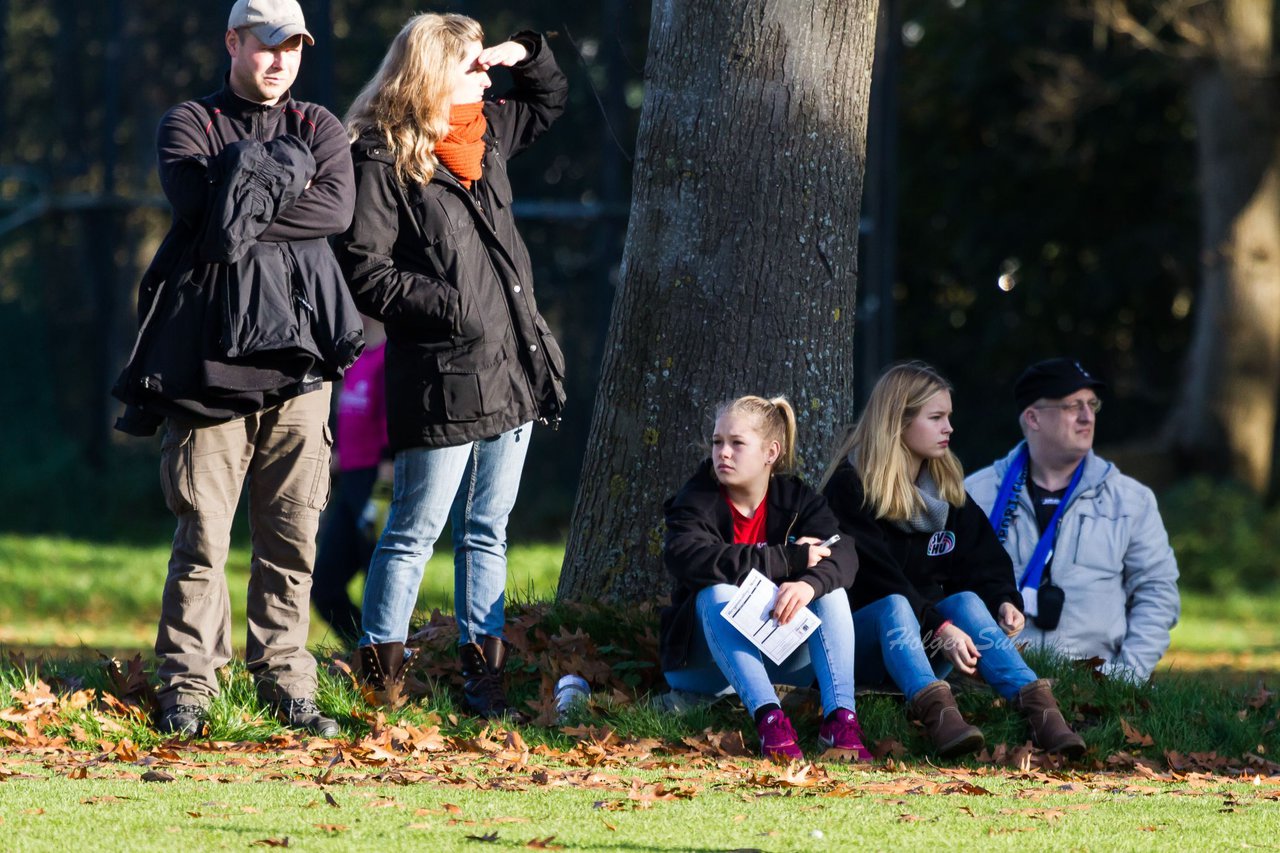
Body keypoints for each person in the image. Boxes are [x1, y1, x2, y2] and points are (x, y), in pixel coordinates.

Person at [112, 0, 362, 736]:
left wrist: (242, 192)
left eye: (294, 47)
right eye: (267, 44)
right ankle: (188, 686)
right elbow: (201, 207)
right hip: (206, 376)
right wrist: (282, 184)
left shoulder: (319, 124)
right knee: (202, 544)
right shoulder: (189, 124)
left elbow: (335, 211)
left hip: (301, 376)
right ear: (233, 41)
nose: (281, 59)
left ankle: (286, 681)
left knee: (292, 545)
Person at [335, 13, 568, 716]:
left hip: (515, 371)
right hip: (442, 380)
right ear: (432, 72)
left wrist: (516, 46)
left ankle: (483, 686)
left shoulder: (485, 134)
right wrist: (451, 306)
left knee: (486, 531)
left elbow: (548, 96)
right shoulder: (379, 158)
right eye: (471, 65)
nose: (486, 76)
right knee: (413, 531)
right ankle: (381, 687)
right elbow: (365, 271)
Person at [822, 363, 1084, 757]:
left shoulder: (943, 488)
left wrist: (1003, 599)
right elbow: (876, 578)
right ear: (898, 422)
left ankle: (1044, 716)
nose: (949, 428)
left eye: (949, 417)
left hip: (927, 642)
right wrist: (939, 626)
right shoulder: (850, 487)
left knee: (966, 601)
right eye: (936, 418)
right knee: (894, 604)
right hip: (864, 648)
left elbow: (983, 556)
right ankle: (941, 721)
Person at [661, 396, 872, 762]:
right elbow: (690, 558)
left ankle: (841, 721)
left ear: (771, 452)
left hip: (779, 649)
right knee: (717, 592)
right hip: (704, 664)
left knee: (828, 590)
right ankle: (770, 721)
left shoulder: (798, 498)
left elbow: (844, 552)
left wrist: (808, 582)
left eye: (736, 443)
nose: (723, 453)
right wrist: (789, 559)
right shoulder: (696, 499)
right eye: (717, 442)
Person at [965, 358, 1180, 683]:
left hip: (1098, 682)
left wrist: (1126, 675)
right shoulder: (976, 495)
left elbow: (1157, 592)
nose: (1087, 416)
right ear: (1033, 418)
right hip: (992, 682)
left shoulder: (1131, 500)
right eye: (1072, 406)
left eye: (1092, 404)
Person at [311, 316, 391, 647]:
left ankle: (389, 655)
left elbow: (392, 416)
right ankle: (362, 649)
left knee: (379, 580)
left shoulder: (391, 355)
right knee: (324, 585)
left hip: (378, 483)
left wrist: (388, 473)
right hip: (348, 483)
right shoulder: (356, 357)